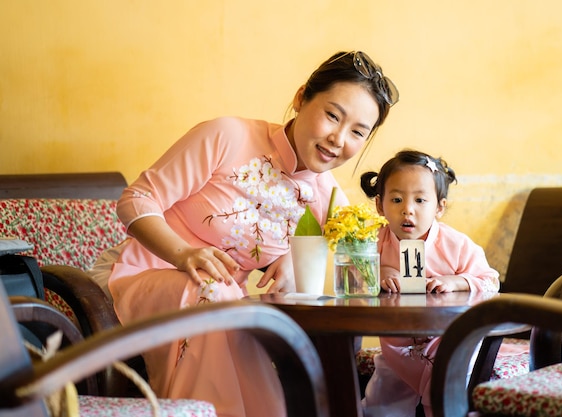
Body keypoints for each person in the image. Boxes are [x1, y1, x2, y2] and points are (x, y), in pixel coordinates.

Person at [104, 51, 398, 417]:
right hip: (141, 277)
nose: (338, 139)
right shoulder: (226, 135)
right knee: (213, 290)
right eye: (332, 115)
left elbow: (327, 279)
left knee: (233, 306)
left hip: (225, 303)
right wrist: (183, 254)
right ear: (301, 97)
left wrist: (292, 263)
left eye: (357, 132)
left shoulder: (327, 199)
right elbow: (136, 200)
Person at [359, 149, 501, 417]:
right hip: (396, 344)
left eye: (420, 200)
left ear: (439, 207)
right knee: (381, 405)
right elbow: (353, 277)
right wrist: (379, 271)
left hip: (447, 342)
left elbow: (491, 280)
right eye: (397, 199)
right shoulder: (374, 243)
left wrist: (457, 281)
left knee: (442, 398)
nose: (407, 209)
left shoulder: (455, 245)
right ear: (380, 205)